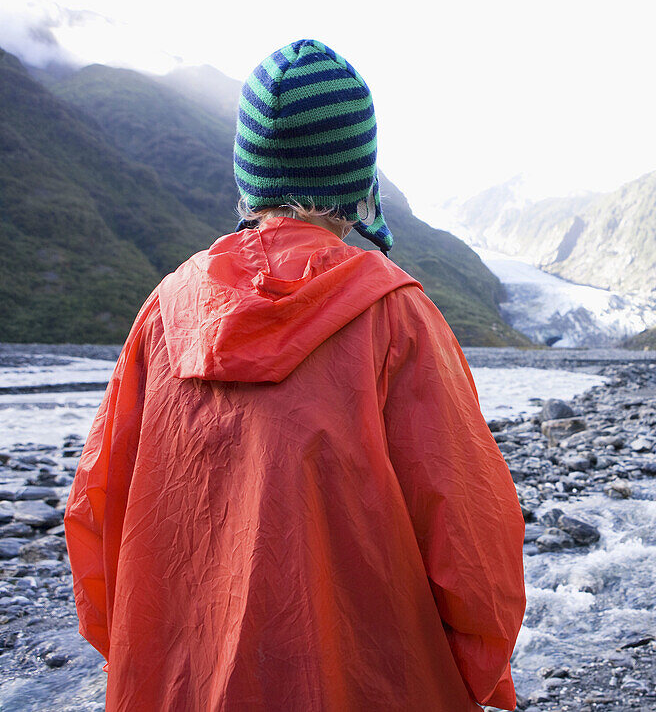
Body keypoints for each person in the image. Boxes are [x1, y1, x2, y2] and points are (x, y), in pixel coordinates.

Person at [64, 39, 526, 711]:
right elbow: (474, 542)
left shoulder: (165, 312)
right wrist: (475, 675)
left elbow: (95, 517)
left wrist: (155, 658)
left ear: (250, 174)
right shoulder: (396, 317)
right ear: (355, 179)